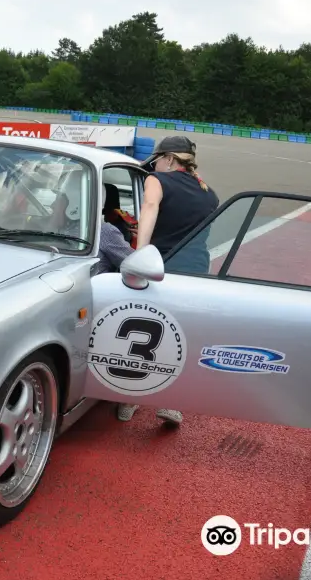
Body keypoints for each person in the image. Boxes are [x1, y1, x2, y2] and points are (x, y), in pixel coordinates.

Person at [114, 136, 219, 427]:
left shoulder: (157, 180)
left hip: (161, 266)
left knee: (142, 329)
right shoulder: (210, 193)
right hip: (197, 270)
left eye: (158, 159)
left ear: (170, 160)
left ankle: (130, 396)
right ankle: (172, 403)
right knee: (180, 335)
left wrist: (139, 254)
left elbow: (149, 208)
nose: (156, 165)